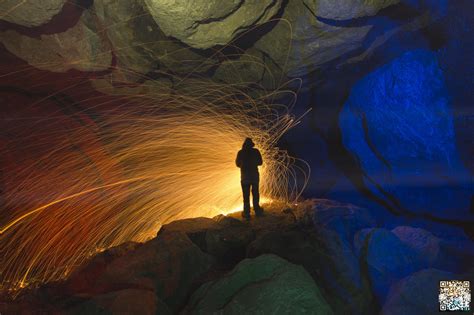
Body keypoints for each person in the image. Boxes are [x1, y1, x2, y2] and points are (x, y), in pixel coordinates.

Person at [235, 137, 264, 219]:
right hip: (254, 177)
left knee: (246, 195)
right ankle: (257, 210)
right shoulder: (256, 151)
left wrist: (244, 165)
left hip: (245, 178)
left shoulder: (240, 152)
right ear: (252, 144)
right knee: (255, 193)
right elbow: (260, 162)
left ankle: (247, 213)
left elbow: (237, 164)